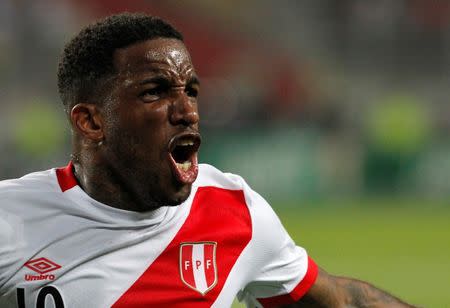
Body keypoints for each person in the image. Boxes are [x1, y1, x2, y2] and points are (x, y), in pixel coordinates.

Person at [0, 13, 415, 308]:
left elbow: (341, 301)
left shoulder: (235, 211)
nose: (188, 111)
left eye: (191, 90)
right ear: (90, 121)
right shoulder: (10, 218)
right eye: (155, 92)